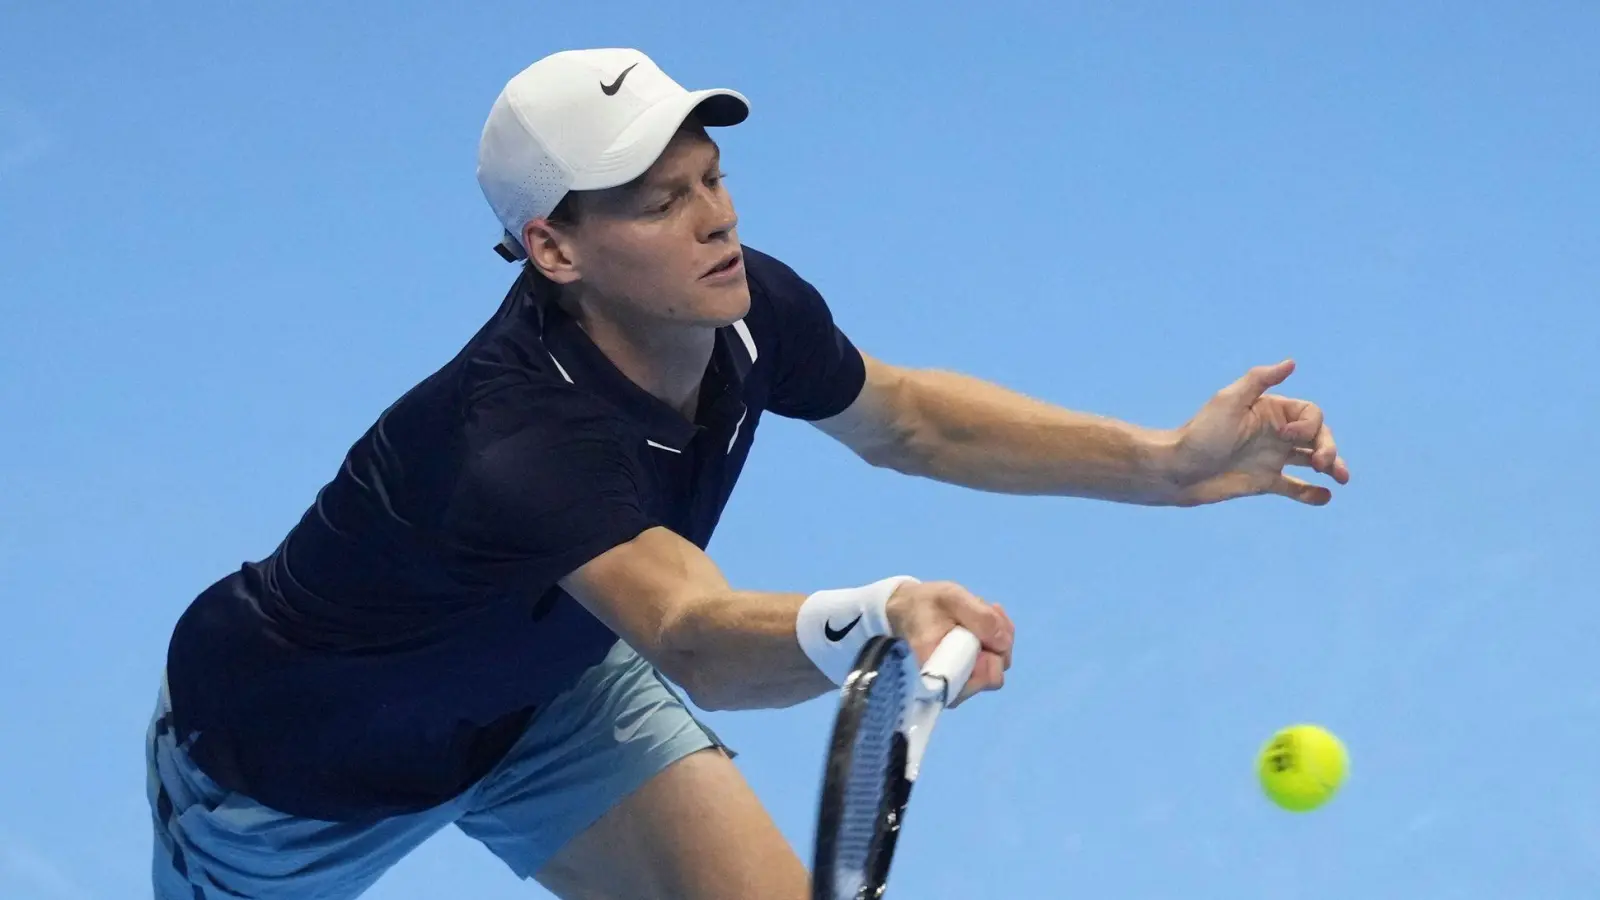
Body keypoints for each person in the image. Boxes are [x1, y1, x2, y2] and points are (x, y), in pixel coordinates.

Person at [146, 47, 1349, 900]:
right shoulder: (511, 443)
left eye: (711, 177)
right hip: (297, 769)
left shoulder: (743, 306)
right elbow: (690, 632)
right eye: (662, 202)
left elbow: (912, 422)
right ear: (552, 248)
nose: (715, 218)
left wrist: (1162, 464)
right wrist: (872, 616)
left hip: (546, 695)